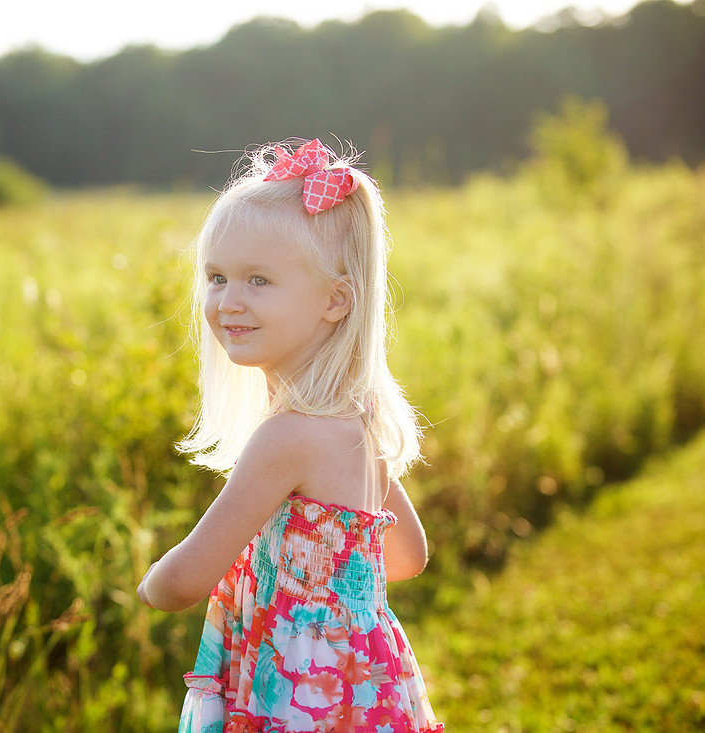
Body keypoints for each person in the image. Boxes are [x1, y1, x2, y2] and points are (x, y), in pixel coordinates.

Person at [137, 138, 444, 732]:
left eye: (258, 280)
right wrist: (327, 595)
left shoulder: (289, 438)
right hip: (362, 683)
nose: (228, 301)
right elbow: (406, 556)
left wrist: (148, 585)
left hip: (301, 696)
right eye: (217, 277)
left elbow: (184, 581)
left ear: (336, 300)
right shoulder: (356, 422)